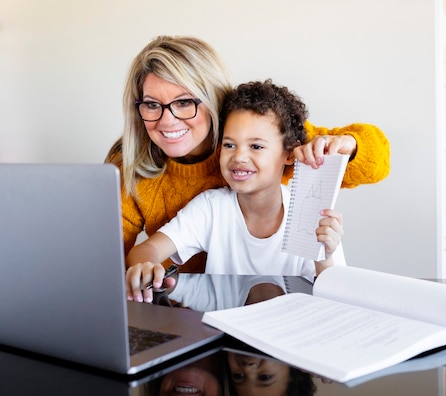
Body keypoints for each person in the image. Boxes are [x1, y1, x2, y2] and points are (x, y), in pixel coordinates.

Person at [105, 35, 390, 274]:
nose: (167, 121)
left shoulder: (260, 130)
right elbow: (107, 257)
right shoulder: (133, 168)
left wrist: (348, 145)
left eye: (184, 102)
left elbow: (378, 161)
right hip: (190, 312)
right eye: (152, 104)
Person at [125, 80, 345, 302]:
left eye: (256, 146)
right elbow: (145, 251)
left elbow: (336, 298)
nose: (238, 157)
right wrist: (146, 266)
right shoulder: (212, 208)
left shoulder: (311, 216)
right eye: (230, 145)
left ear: (289, 154)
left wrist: (324, 256)